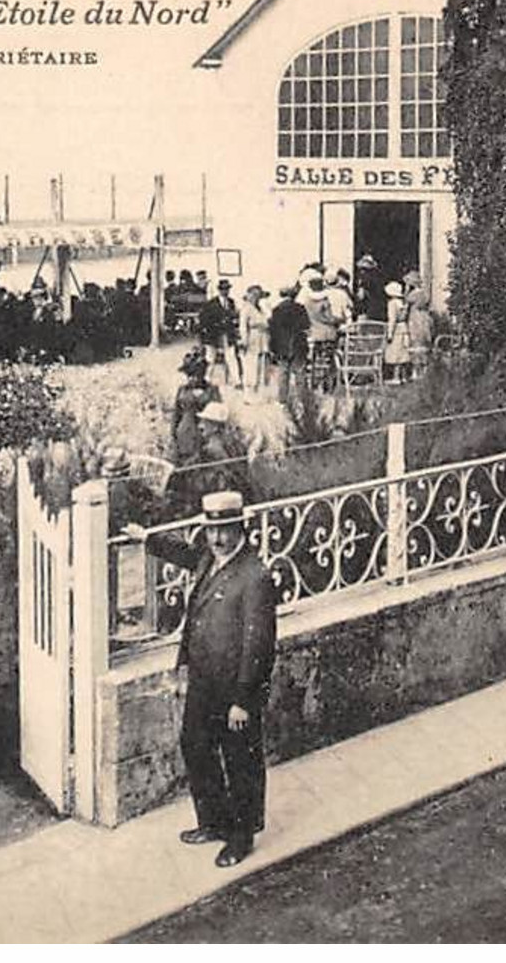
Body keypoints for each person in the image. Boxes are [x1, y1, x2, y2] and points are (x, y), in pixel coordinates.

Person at [122, 490, 278, 867]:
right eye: (211, 530)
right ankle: (213, 822)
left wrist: (244, 698)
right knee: (195, 746)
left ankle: (241, 838)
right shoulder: (211, 557)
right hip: (204, 680)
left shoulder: (254, 575)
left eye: (225, 530)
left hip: (235, 687)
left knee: (240, 761)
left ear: (240, 527)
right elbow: (186, 555)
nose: (217, 538)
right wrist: (148, 539)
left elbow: (258, 643)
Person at [172, 352, 224, 464]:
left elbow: (218, 417)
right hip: (183, 434)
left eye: (196, 375)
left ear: (202, 374)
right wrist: (173, 434)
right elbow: (176, 414)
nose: (193, 379)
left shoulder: (211, 391)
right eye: (189, 376)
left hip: (202, 436)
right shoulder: (182, 390)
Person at [268, 284, 310, 402]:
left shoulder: (277, 310)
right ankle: (302, 398)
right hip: (298, 343)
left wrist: (273, 347)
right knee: (300, 372)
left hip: (282, 345)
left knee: (283, 373)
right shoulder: (300, 308)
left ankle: (282, 399)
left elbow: (273, 330)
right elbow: (306, 325)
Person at [199, 280, 240, 386]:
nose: (226, 291)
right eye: (223, 289)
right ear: (219, 290)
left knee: (231, 356)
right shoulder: (211, 304)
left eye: (227, 289)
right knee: (210, 357)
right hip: (214, 334)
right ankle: (206, 379)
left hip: (227, 334)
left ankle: (236, 381)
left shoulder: (231, 302)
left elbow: (232, 316)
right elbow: (204, 320)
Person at [238, 285, 271, 395]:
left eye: (258, 296)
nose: (256, 298)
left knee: (261, 364)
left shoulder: (261, 308)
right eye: (254, 295)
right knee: (251, 364)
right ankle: (249, 392)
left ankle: (259, 390)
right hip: (252, 337)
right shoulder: (246, 309)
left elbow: (267, 320)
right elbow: (242, 326)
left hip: (262, 337)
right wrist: (244, 341)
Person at [382, 281, 411, 384]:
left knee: (395, 353)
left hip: (396, 329)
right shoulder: (402, 303)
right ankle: (404, 376)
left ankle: (396, 377)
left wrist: (390, 333)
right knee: (403, 353)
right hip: (404, 327)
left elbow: (392, 319)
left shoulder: (392, 304)